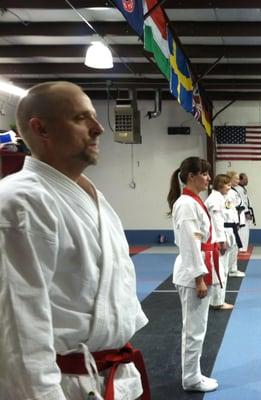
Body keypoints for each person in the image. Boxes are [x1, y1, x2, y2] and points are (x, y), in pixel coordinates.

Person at [0, 81, 150, 399]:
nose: (98, 129)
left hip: (110, 376)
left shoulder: (93, 196)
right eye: (81, 119)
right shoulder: (19, 202)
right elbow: (19, 333)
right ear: (41, 129)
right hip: (64, 385)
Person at [167, 157, 220, 392]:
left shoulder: (194, 201)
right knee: (193, 330)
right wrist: (199, 277)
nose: (209, 178)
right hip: (193, 272)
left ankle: (194, 372)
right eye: (205, 174)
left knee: (198, 328)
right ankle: (190, 378)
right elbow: (190, 243)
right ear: (191, 176)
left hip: (199, 266)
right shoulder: (186, 204)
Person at [206, 174, 234, 310]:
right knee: (220, 270)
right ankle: (217, 302)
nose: (229, 187)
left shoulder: (220, 197)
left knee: (223, 269)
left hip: (225, 234)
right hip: (218, 237)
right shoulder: (214, 198)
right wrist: (221, 240)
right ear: (219, 185)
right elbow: (216, 221)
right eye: (227, 184)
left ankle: (217, 300)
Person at [226, 170, 246, 277]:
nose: (238, 180)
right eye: (236, 178)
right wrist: (235, 222)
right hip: (232, 223)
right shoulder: (229, 192)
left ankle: (232, 268)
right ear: (230, 178)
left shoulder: (233, 190)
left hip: (235, 222)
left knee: (235, 247)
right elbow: (230, 208)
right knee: (232, 247)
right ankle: (231, 269)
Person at [235, 172, 255, 253]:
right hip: (242, 212)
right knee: (243, 230)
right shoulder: (239, 189)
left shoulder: (241, 188)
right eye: (245, 179)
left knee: (244, 230)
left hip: (243, 211)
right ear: (240, 180)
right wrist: (247, 213)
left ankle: (242, 248)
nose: (247, 181)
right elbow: (243, 202)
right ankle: (242, 248)